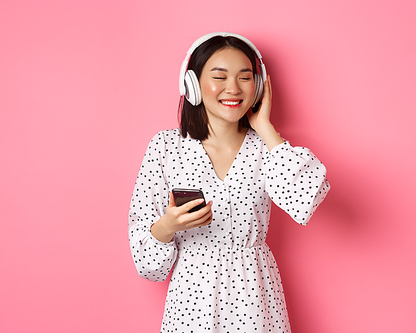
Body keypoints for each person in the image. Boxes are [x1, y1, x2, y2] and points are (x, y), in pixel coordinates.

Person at [128, 32, 330, 332]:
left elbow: (306, 200)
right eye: (219, 77)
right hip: (191, 303)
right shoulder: (165, 148)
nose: (233, 88)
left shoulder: (267, 149)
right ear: (192, 85)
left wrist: (265, 127)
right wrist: (169, 226)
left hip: (255, 299)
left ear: (259, 86)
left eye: (245, 77)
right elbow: (148, 265)